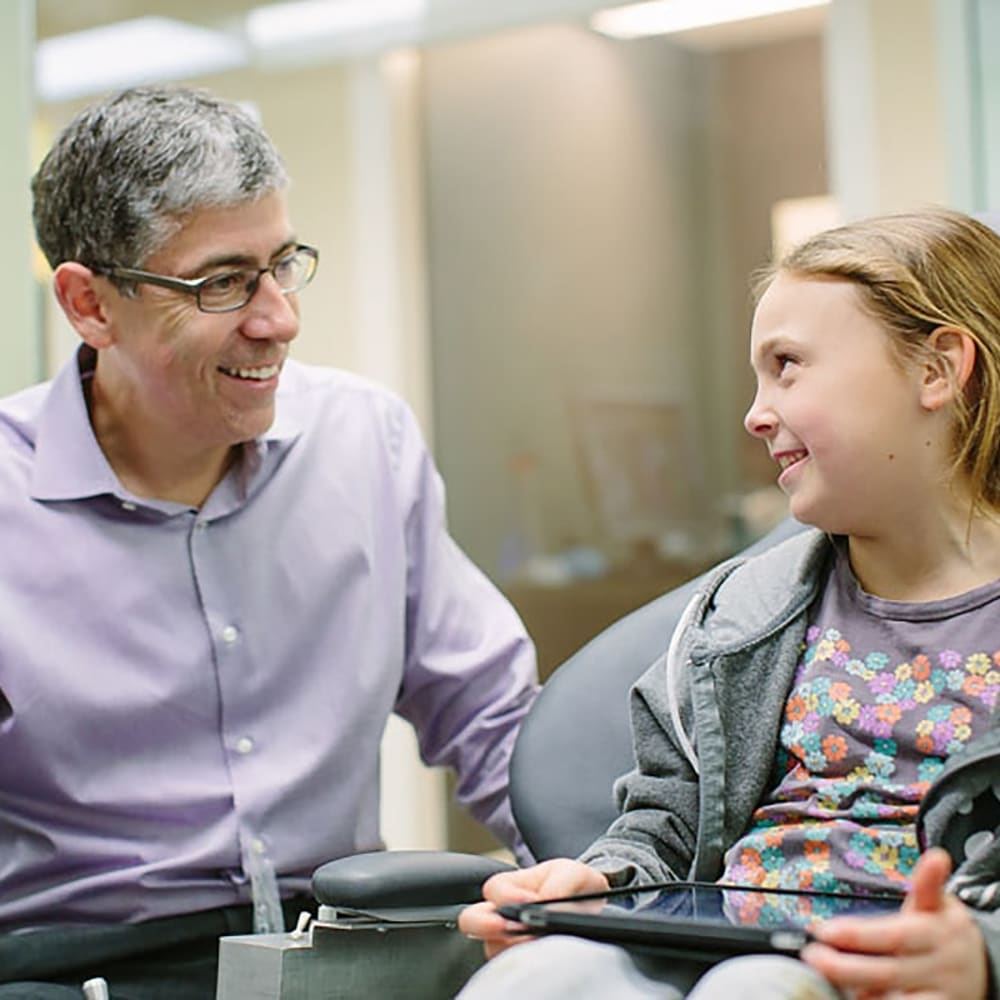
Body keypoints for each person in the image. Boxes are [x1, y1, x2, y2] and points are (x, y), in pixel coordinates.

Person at [0, 84, 538, 997]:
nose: (277, 317)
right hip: (84, 970)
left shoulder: (365, 440)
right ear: (90, 304)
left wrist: (614, 882)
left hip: (343, 949)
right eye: (221, 282)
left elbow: (492, 718)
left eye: (283, 264)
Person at [458, 207, 1000, 1000]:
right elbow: (665, 826)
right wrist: (600, 884)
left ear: (937, 369)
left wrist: (981, 957)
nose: (756, 413)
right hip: (720, 951)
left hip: (891, 977)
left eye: (788, 366)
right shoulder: (741, 619)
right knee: (541, 978)